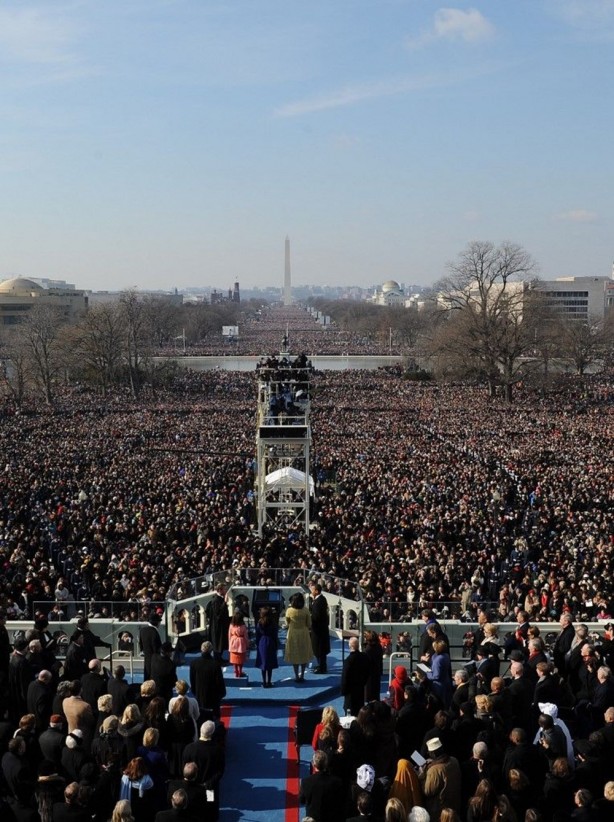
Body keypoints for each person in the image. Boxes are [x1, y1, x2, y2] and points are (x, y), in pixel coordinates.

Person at [181, 721, 225, 821]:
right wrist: (209, 783)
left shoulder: (189, 748)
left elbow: (184, 768)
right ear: (212, 733)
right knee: (210, 808)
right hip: (210, 787)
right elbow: (220, 770)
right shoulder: (217, 750)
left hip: (193, 785)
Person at [298, 749, 344, 822]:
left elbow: (301, 800)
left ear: (313, 764)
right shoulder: (336, 782)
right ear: (326, 764)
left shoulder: (306, 782)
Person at [189, 641, 226, 719]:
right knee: (214, 717)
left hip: (200, 695)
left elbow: (192, 680)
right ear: (211, 651)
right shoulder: (215, 664)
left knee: (201, 716)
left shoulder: (194, 663)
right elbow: (219, 681)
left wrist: (195, 692)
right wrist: (222, 693)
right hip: (213, 697)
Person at [284, 592, 312, 682]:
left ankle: (296, 676)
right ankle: (302, 675)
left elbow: (287, 623)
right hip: (303, 633)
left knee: (294, 654)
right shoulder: (306, 610)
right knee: (303, 653)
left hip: (293, 633)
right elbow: (309, 624)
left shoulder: (289, 611)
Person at [341, 637, 371, 717]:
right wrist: (363, 682)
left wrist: (343, 691)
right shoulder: (364, 657)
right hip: (360, 689)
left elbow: (345, 677)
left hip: (350, 693)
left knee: (350, 714)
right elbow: (368, 671)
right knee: (360, 712)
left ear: (350, 646)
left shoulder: (348, 661)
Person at [205, 584, 230, 662]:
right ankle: (217, 660)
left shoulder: (219, 599)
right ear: (220, 590)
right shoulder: (216, 600)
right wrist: (225, 602)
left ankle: (220, 659)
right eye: (224, 589)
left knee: (221, 643)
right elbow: (218, 614)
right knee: (217, 644)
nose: (225, 591)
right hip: (217, 627)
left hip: (221, 626)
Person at [255, 607, 279, 688]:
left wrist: (257, 643)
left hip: (262, 642)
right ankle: (269, 681)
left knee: (263, 663)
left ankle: (264, 682)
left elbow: (257, 634)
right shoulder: (272, 622)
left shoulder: (259, 623)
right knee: (270, 664)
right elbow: (275, 634)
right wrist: (276, 644)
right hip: (271, 641)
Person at [310, 583, 330, 674]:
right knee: (319, 649)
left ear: (317, 591)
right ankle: (321, 665)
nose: (311, 591)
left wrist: (309, 619)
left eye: (312, 589)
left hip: (319, 630)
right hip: (320, 629)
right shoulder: (320, 599)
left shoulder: (319, 601)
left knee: (319, 649)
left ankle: (322, 667)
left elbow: (316, 616)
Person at [139, 614, 162, 681]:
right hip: (155, 660)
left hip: (147, 658)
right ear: (157, 622)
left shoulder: (142, 630)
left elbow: (141, 645)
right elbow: (156, 647)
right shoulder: (154, 632)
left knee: (147, 677)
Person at [363, 630, 384, 703]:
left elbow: (365, 663)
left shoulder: (367, 649)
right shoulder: (379, 646)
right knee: (376, 693)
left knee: (369, 695)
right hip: (377, 672)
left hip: (369, 675)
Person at [228, 610, 248, 679]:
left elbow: (229, 635)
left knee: (234, 658)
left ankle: (236, 670)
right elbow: (245, 636)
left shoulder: (231, 625)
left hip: (233, 641)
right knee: (241, 658)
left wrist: (230, 643)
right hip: (241, 642)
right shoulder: (243, 626)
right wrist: (247, 644)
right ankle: (240, 671)